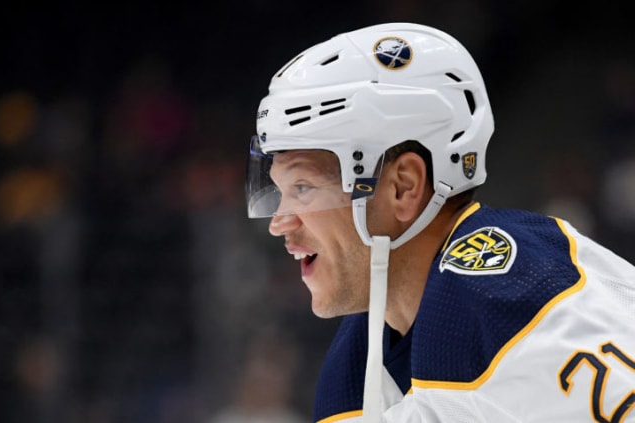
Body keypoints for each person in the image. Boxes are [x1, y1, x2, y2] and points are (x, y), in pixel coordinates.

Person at [244, 22, 635, 422]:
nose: (279, 223)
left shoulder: (508, 294)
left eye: (304, 188)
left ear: (403, 187)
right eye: (279, 190)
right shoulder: (356, 366)